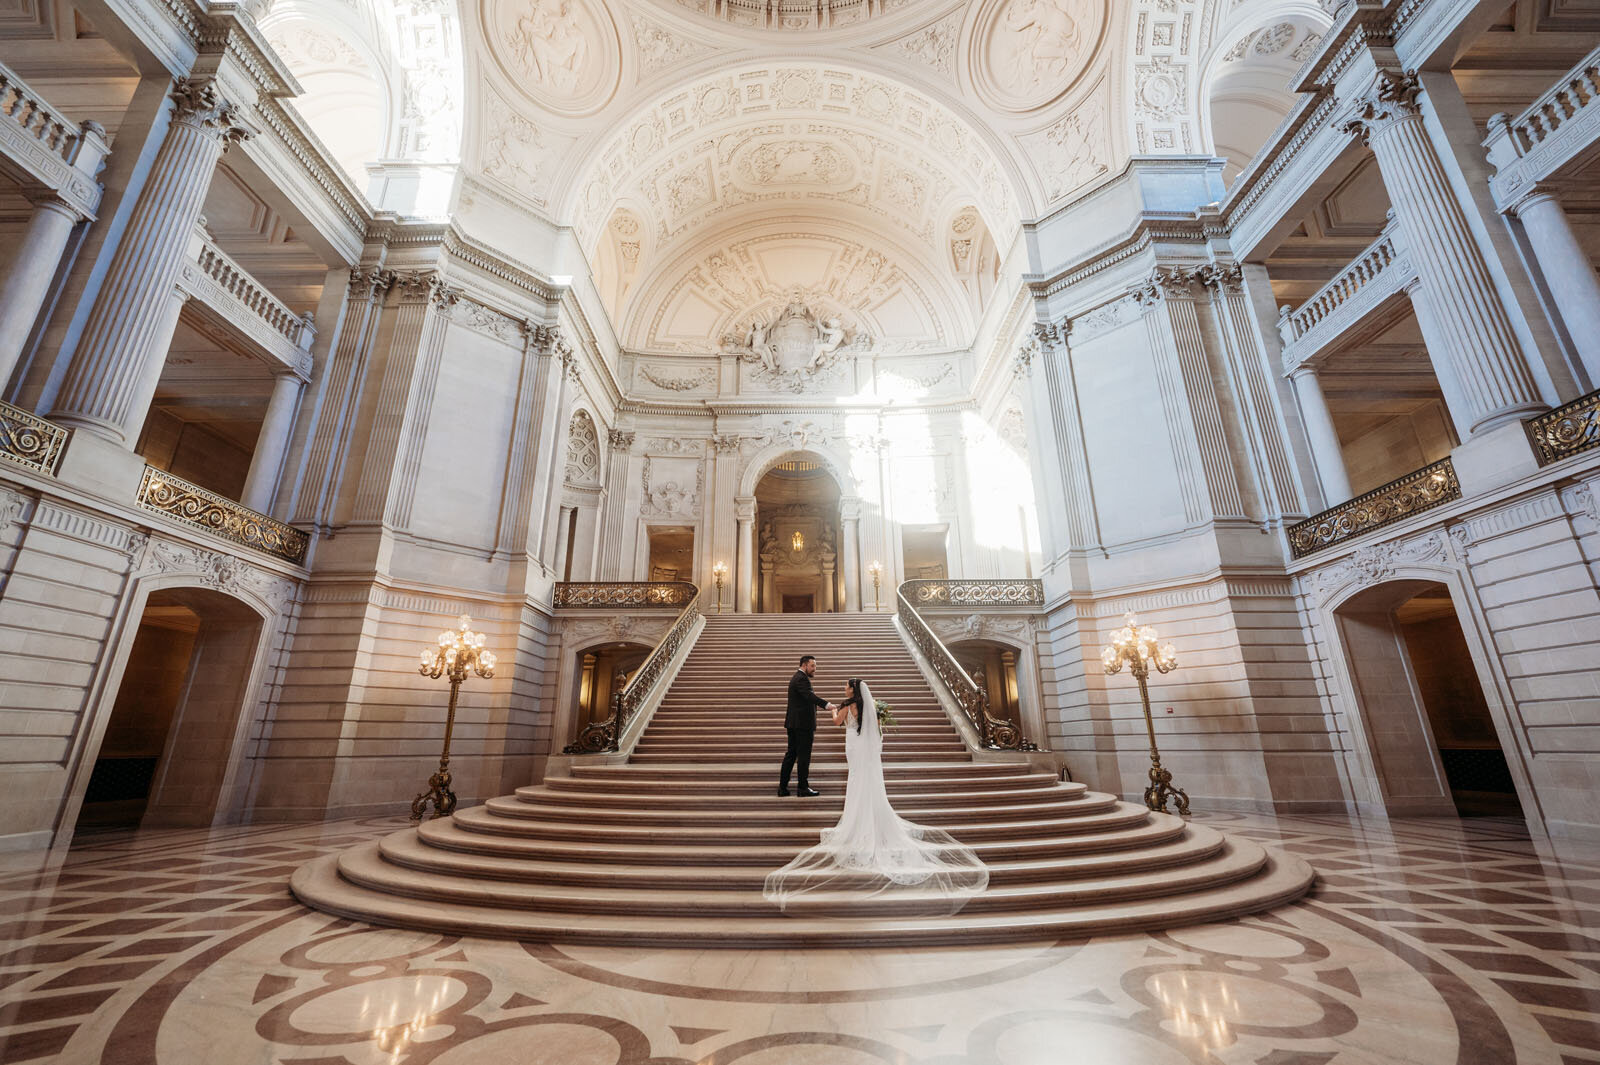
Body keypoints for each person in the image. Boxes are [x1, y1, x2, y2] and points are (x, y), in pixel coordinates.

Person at [765, 677, 989, 914]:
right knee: (866, 782)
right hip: (866, 752)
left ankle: (857, 823)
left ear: (852, 689)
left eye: (846, 686)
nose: (844, 688)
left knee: (855, 781)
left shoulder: (845, 705)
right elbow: (878, 733)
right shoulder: (868, 708)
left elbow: (836, 723)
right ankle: (871, 818)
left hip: (853, 747)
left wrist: (833, 712)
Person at [779, 654, 833, 797]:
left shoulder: (798, 678)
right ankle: (802, 788)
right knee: (803, 757)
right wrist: (827, 705)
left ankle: (782, 788)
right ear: (804, 665)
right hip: (802, 725)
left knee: (791, 755)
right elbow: (810, 696)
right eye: (813, 666)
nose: (815, 669)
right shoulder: (801, 679)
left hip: (795, 724)